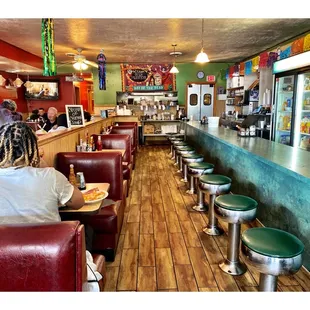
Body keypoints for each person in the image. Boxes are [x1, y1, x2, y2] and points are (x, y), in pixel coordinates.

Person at [0, 122, 101, 291]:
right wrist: (42, 164)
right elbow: (79, 203)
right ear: (33, 147)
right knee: (88, 230)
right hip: (50, 255)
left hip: (6, 260)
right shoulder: (50, 176)